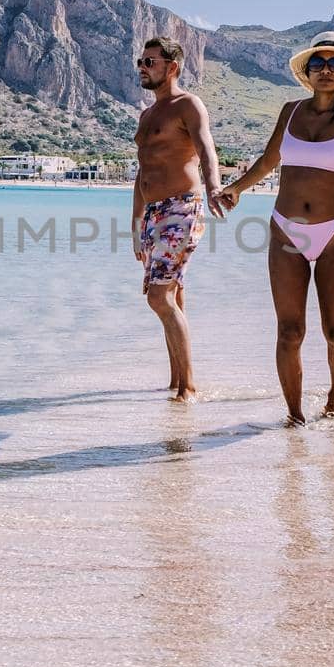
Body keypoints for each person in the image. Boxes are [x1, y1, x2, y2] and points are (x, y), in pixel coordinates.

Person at [214, 30, 334, 424]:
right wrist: (235, 189)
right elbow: (269, 162)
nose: (325, 70)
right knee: (289, 332)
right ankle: (295, 418)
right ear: (307, 71)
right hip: (287, 231)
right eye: (317, 63)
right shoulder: (289, 111)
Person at [132, 37, 224, 401]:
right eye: (140, 60)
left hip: (181, 208)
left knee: (158, 297)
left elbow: (205, 147)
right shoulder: (146, 115)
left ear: (172, 68)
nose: (142, 66)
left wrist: (215, 186)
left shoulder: (189, 104)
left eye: (150, 61)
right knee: (172, 294)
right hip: (153, 214)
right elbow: (142, 174)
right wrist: (136, 222)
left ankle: (188, 389)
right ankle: (176, 380)